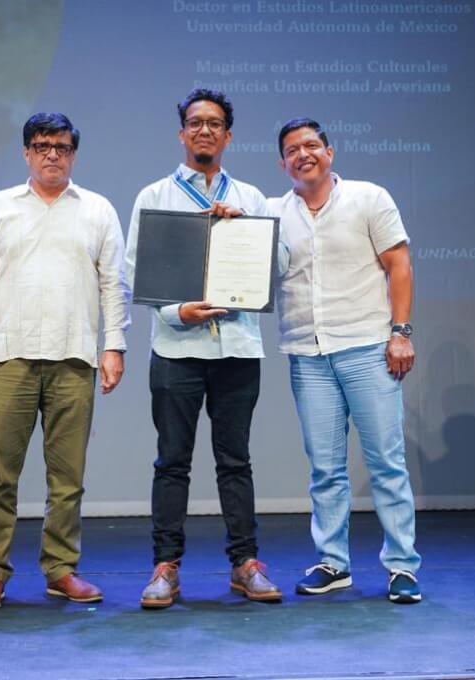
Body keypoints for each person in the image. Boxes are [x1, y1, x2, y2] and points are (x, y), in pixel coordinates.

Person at [125, 88, 281, 609]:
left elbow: (273, 270)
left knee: (235, 460)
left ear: (228, 135)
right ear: (182, 133)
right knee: (172, 461)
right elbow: (135, 271)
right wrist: (177, 312)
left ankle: (245, 563)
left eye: (215, 123)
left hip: (237, 347)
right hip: (176, 346)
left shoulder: (253, 198)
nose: (205, 131)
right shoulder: (155, 196)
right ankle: (166, 567)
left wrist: (246, 233)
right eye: (195, 123)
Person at [0, 113, 130, 610]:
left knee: (67, 477)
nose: (51, 154)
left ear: (74, 154)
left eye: (60, 146)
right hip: (9, 356)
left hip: (73, 356)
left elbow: (113, 283)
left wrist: (114, 346)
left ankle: (61, 569)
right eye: (41, 146)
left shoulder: (97, 209)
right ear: (26, 154)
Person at [270, 117, 422, 604]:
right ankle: (333, 563)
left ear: (330, 153)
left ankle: (402, 566)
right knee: (326, 469)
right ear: (282, 163)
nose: (303, 154)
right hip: (307, 354)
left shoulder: (369, 198)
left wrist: (400, 333)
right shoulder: (275, 213)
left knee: (386, 464)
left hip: (366, 347)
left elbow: (399, 265)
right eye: (292, 150)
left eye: (311, 145)